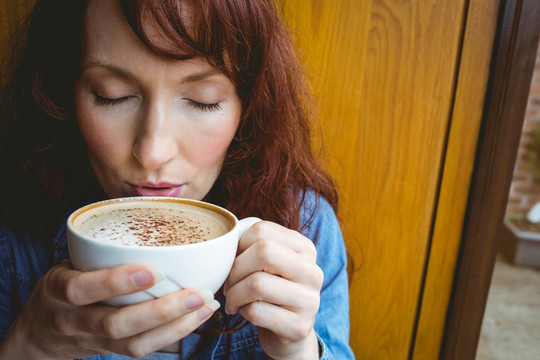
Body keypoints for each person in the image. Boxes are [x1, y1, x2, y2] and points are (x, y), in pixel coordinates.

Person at [0, 0, 354, 359]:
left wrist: (301, 351)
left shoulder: (304, 226)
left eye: (203, 101)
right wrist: (25, 347)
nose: (153, 152)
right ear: (64, 91)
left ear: (247, 107)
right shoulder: (12, 240)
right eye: (112, 96)